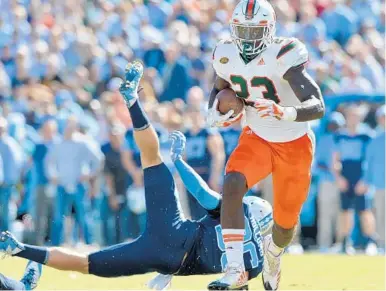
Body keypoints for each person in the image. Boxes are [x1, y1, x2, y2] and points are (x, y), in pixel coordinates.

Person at [0, 62, 272, 290]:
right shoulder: (255, 265)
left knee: (152, 157)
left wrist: (178, 162)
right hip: (164, 258)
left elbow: (201, 195)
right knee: (88, 264)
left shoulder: (238, 213)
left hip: (174, 230)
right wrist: (172, 272)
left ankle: (132, 102)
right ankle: (19, 249)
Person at [206, 1, 325, 289]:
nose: (247, 39)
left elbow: (318, 105)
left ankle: (273, 253)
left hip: (294, 142)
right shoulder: (225, 53)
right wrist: (214, 113)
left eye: (254, 31)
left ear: (269, 30)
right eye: (242, 31)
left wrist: (285, 111)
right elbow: (219, 89)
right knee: (232, 183)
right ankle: (236, 268)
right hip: (257, 136)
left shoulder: (283, 54)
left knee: (285, 226)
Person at [333, 105, 377, 255]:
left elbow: (371, 160)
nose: (353, 118)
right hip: (345, 176)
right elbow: (335, 160)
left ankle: (370, 242)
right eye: (350, 115)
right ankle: (345, 243)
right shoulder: (340, 135)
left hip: (361, 176)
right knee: (345, 211)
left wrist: (365, 180)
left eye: (356, 115)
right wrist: (338, 178)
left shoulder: (367, 136)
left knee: (365, 211)